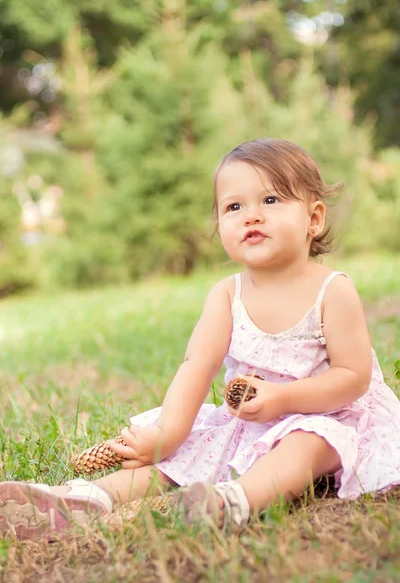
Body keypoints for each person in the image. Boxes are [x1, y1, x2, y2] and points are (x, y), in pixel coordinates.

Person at [2, 138, 400, 540]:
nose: (252, 217)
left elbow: (352, 377)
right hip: (249, 419)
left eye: (271, 200)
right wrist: (168, 434)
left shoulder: (332, 290)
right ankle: (83, 499)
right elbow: (197, 368)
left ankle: (233, 501)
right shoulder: (227, 295)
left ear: (314, 219)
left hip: (327, 415)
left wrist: (283, 400)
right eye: (234, 207)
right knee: (184, 453)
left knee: (304, 444)